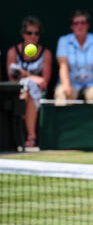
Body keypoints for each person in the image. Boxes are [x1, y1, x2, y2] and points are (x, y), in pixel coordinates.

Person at [6, 16, 52, 148]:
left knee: (31, 93)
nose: (33, 36)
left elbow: (44, 82)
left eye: (36, 33)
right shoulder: (13, 52)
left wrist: (26, 75)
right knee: (25, 91)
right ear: (23, 34)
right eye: (29, 33)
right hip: (20, 92)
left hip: (38, 93)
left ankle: (30, 137)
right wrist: (31, 78)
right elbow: (12, 80)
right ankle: (25, 137)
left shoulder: (46, 53)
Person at [54, 10, 93, 105]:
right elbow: (63, 66)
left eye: (83, 23)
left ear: (88, 25)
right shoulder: (64, 40)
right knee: (62, 95)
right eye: (76, 23)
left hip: (92, 84)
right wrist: (66, 85)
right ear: (71, 26)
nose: (79, 26)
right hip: (71, 83)